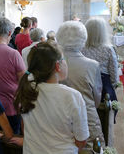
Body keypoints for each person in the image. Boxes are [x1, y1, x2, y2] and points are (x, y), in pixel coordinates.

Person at [14, 42, 89, 154]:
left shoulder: (27, 88)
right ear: (58, 66)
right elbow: (81, 140)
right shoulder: (72, 96)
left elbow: (25, 127)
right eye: (64, 59)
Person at [56, 21, 104, 150]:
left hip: (59, 118)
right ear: (83, 39)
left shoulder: (53, 63)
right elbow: (97, 97)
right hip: (87, 119)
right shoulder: (92, 65)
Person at [82, 17, 118, 118]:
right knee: (109, 107)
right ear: (103, 32)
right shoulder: (108, 49)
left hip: (85, 84)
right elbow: (114, 74)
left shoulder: (81, 48)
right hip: (103, 86)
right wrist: (113, 85)